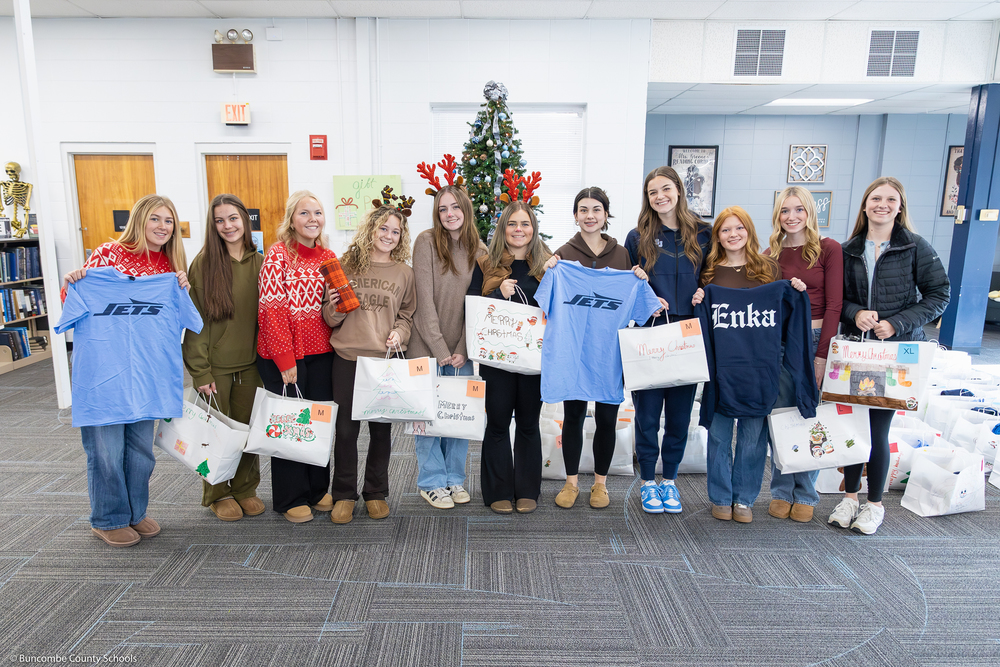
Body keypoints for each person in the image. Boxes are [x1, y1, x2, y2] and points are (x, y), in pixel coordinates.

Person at [60, 194, 192, 547]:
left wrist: (182, 291)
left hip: (148, 374)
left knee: (140, 451)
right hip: (104, 373)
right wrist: (74, 280)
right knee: (105, 449)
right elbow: (71, 304)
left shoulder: (169, 268)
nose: (163, 227)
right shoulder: (107, 254)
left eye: (169, 221)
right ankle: (108, 517)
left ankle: (136, 513)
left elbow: (186, 321)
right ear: (139, 220)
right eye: (155, 219)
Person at [828, 177, 950, 535]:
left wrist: (896, 323)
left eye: (890, 199)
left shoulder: (914, 247)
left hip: (893, 355)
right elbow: (839, 299)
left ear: (900, 207)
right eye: (875, 198)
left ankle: (874, 504)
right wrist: (854, 313)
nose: (882, 204)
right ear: (865, 205)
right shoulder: (847, 249)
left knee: (877, 430)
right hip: (853, 350)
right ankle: (849, 497)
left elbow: (939, 295)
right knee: (850, 427)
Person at [692, 206, 808, 524]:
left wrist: (794, 291)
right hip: (721, 368)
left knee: (752, 437)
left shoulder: (769, 269)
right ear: (718, 236)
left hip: (760, 368)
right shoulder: (709, 273)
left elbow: (782, 312)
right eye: (726, 230)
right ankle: (719, 496)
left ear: (749, 232)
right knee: (718, 435)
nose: (733, 235)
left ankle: (744, 498)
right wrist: (699, 301)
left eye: (739, 228)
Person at [542, 187, 650, 509]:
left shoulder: (622, 256)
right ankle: (571, 482)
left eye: (596, 210)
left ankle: (600, 484)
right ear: (575, 215)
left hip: (608, 352)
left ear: (606, 215)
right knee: (573, 416)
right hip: (573, 351)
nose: (590, 216)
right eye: (583, 210)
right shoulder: (562, 254)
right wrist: (549, 270)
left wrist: (639, 278)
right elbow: (545, 301)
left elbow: (637, 303)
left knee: (607, 417)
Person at [624, 167, 712, 515]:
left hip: (688, 336)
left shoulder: (704, 233)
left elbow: (713, 275)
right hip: (651, 333)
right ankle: (648, 481)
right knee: (647, 414)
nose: (659, 196)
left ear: (678, 190)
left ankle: (670, 481)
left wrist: (705, 289)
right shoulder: (637, 236)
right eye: (652, 192)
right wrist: (641, 286)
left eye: (666, 189)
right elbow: (628, 287)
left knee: (678, 415)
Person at [322, 204, 416, 524]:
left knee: (380, 432)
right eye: (383, 229)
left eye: (395, 231)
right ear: (371, 230)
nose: (389, 236)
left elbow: (406, 315)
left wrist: (398, 333)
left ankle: (376, 492)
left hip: (383, 362)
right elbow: (329, 316)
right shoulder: (346, 265)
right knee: (346, 432)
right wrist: (335, 308)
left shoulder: (404, 272)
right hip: (348, 357)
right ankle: (344, 494)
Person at [182, 194, 265, 521]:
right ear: (213, 226)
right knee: (215, 433)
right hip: (216, 366)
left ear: (245, 221)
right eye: (220, 220)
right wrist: (200, 371)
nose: (228, 226)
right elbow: (196, 322)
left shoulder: (261, 263)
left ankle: (245, 488)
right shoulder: (204, 264)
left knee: (248, 430)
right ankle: (217, 491)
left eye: (233, 218)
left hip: (253, 365)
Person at [257, 190, 337, 523]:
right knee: (291, 425)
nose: (312, 219)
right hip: (285, 355)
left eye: (317, 213)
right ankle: (291, 496)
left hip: (323, 352)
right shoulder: (278, 255)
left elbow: (337, 307)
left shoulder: (329, 256)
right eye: (304, 213)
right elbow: (271, 309)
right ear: (292, 220)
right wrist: (285, 359)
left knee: (318, 423)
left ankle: (318, 489)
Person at [764, 187, 843, 523]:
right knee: (781, 417)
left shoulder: (829, 249)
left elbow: (836, 304)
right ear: (777, 215)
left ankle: (806, 492)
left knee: (812, 419)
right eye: (785, 211)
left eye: (798, 209)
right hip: (781, 341)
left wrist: (822, 354)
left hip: (814, 337)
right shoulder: (770, 253)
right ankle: (782, 490)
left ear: (810, 212)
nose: (791, 216)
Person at [467, 202, 551, 514]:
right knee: (498, 422)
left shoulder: (546, 265)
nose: (519, 229)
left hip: (534, 361)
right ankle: (497, 491)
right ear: (503, 228)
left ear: (533, 228)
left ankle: (527, 489)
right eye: (512, 224)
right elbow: (474, 307)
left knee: (529, 423)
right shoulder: (486, 263)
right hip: (497, 360)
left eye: (525, 224)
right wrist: (496, 294)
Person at [408, 185, 487, 509]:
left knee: (458, 418)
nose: (450, 214)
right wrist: (442, 350)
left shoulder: (480, 250)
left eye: (455, 207)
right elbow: (424, 302)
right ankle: (431, 482)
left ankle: (454, 480)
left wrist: (463, 348)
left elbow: (478, 303)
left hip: (461, 351)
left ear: (465, 210)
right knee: (426, 420)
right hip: (424, 347)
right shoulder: (426, 242)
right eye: (443, 209)